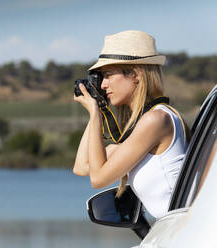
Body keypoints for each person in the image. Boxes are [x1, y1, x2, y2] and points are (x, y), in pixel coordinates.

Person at [73, 30, 190, 219]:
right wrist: (98, 107)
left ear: (135, 74)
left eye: (109, 75)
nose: (103, 85)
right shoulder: (141, 131)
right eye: (102, 77)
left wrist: (95, 113)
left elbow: (98, 179)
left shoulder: (156, 120)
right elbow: (82, 167)